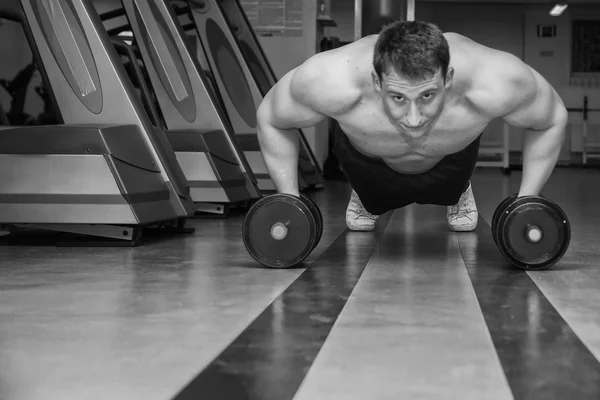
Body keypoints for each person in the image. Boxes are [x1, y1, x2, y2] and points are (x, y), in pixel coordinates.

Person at [256, 20, 567, 232]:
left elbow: (552, 119)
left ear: (448, 78)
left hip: (452, 163)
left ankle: (459, 193)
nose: (415, 118)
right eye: (398, 97)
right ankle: (364, 198)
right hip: (368, 164)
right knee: (367, 189)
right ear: (376, 81)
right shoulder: (330, 80)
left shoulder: (495, 80)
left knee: (454, 167)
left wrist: (527, 200)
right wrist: (289, 201)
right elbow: (271, 117)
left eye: (428, 95)